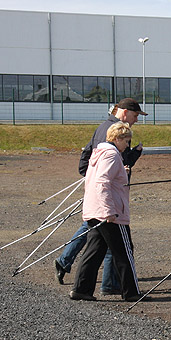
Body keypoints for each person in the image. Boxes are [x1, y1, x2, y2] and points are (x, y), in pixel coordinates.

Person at [54, 98, 146, 295]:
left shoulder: (99, 152)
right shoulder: (112, 155)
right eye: (127, 141)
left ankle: (81, 290)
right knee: (124, 251)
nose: (127, 145)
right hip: (109, 212)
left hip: (95, 209)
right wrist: (109, 211)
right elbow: (102, 183)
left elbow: (90, 174)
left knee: (94, 251)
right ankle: (131, 293)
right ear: (118, 139)